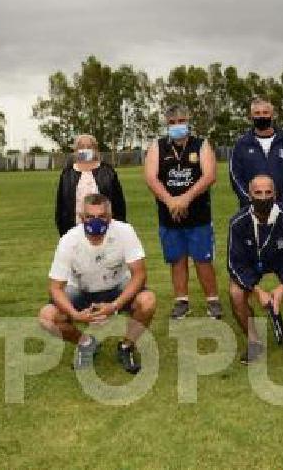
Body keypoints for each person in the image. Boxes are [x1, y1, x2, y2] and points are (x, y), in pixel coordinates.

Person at [38, 194, 157, 373]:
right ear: (81, 217)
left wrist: (115, 306)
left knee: (148, 301)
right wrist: (75, 315)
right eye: (90, 217)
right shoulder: (69, 240)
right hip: (81, 291)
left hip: (117, 288)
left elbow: (139, 275)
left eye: (101, 217)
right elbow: (55, 287)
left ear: (110, 217)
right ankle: (85, 343)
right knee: (46, 318)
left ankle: (126, 347)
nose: (95, 222)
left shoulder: (125, 231)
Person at [227, 175, 283, 364]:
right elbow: (234, 264)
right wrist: (257, 290)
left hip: (282, 261)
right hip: (252, 263)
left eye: (268, 192)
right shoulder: (238, 222)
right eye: (258, 193)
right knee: (235, 293)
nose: (263, 197)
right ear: (249, 194)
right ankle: (254, 342)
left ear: (275, 194)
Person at [144, 105, 221, 320]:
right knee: (177, 259)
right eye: (172, 122)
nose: (177, 125)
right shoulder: (157, 147)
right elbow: (151, 177)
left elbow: (209, 176)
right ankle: (181, 301)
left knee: (203, 260)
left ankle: (212, 300)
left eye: (181, 121)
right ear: (167, 125)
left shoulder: (201, 144)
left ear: (188, 121)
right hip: (169, 215)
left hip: (198, 215)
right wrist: (171, 201)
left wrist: (185, 198)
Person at [229, 98, 283, 210]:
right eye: (257, 113)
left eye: (265, 112)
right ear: (251, 116)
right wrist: (253, 204)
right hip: (251, 211)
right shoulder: (241, 144)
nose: (261, 116)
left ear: (272, 115)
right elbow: (236, 178)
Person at [55, 134, 126, 237]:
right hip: (75, 230)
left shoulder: (108, 171)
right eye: (81, 146)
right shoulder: (67, 173)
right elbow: (61, 206)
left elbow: (119, 204)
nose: (85, 150)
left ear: (95, 149)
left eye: (89, 147)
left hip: (105, 229)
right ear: (75, 150)